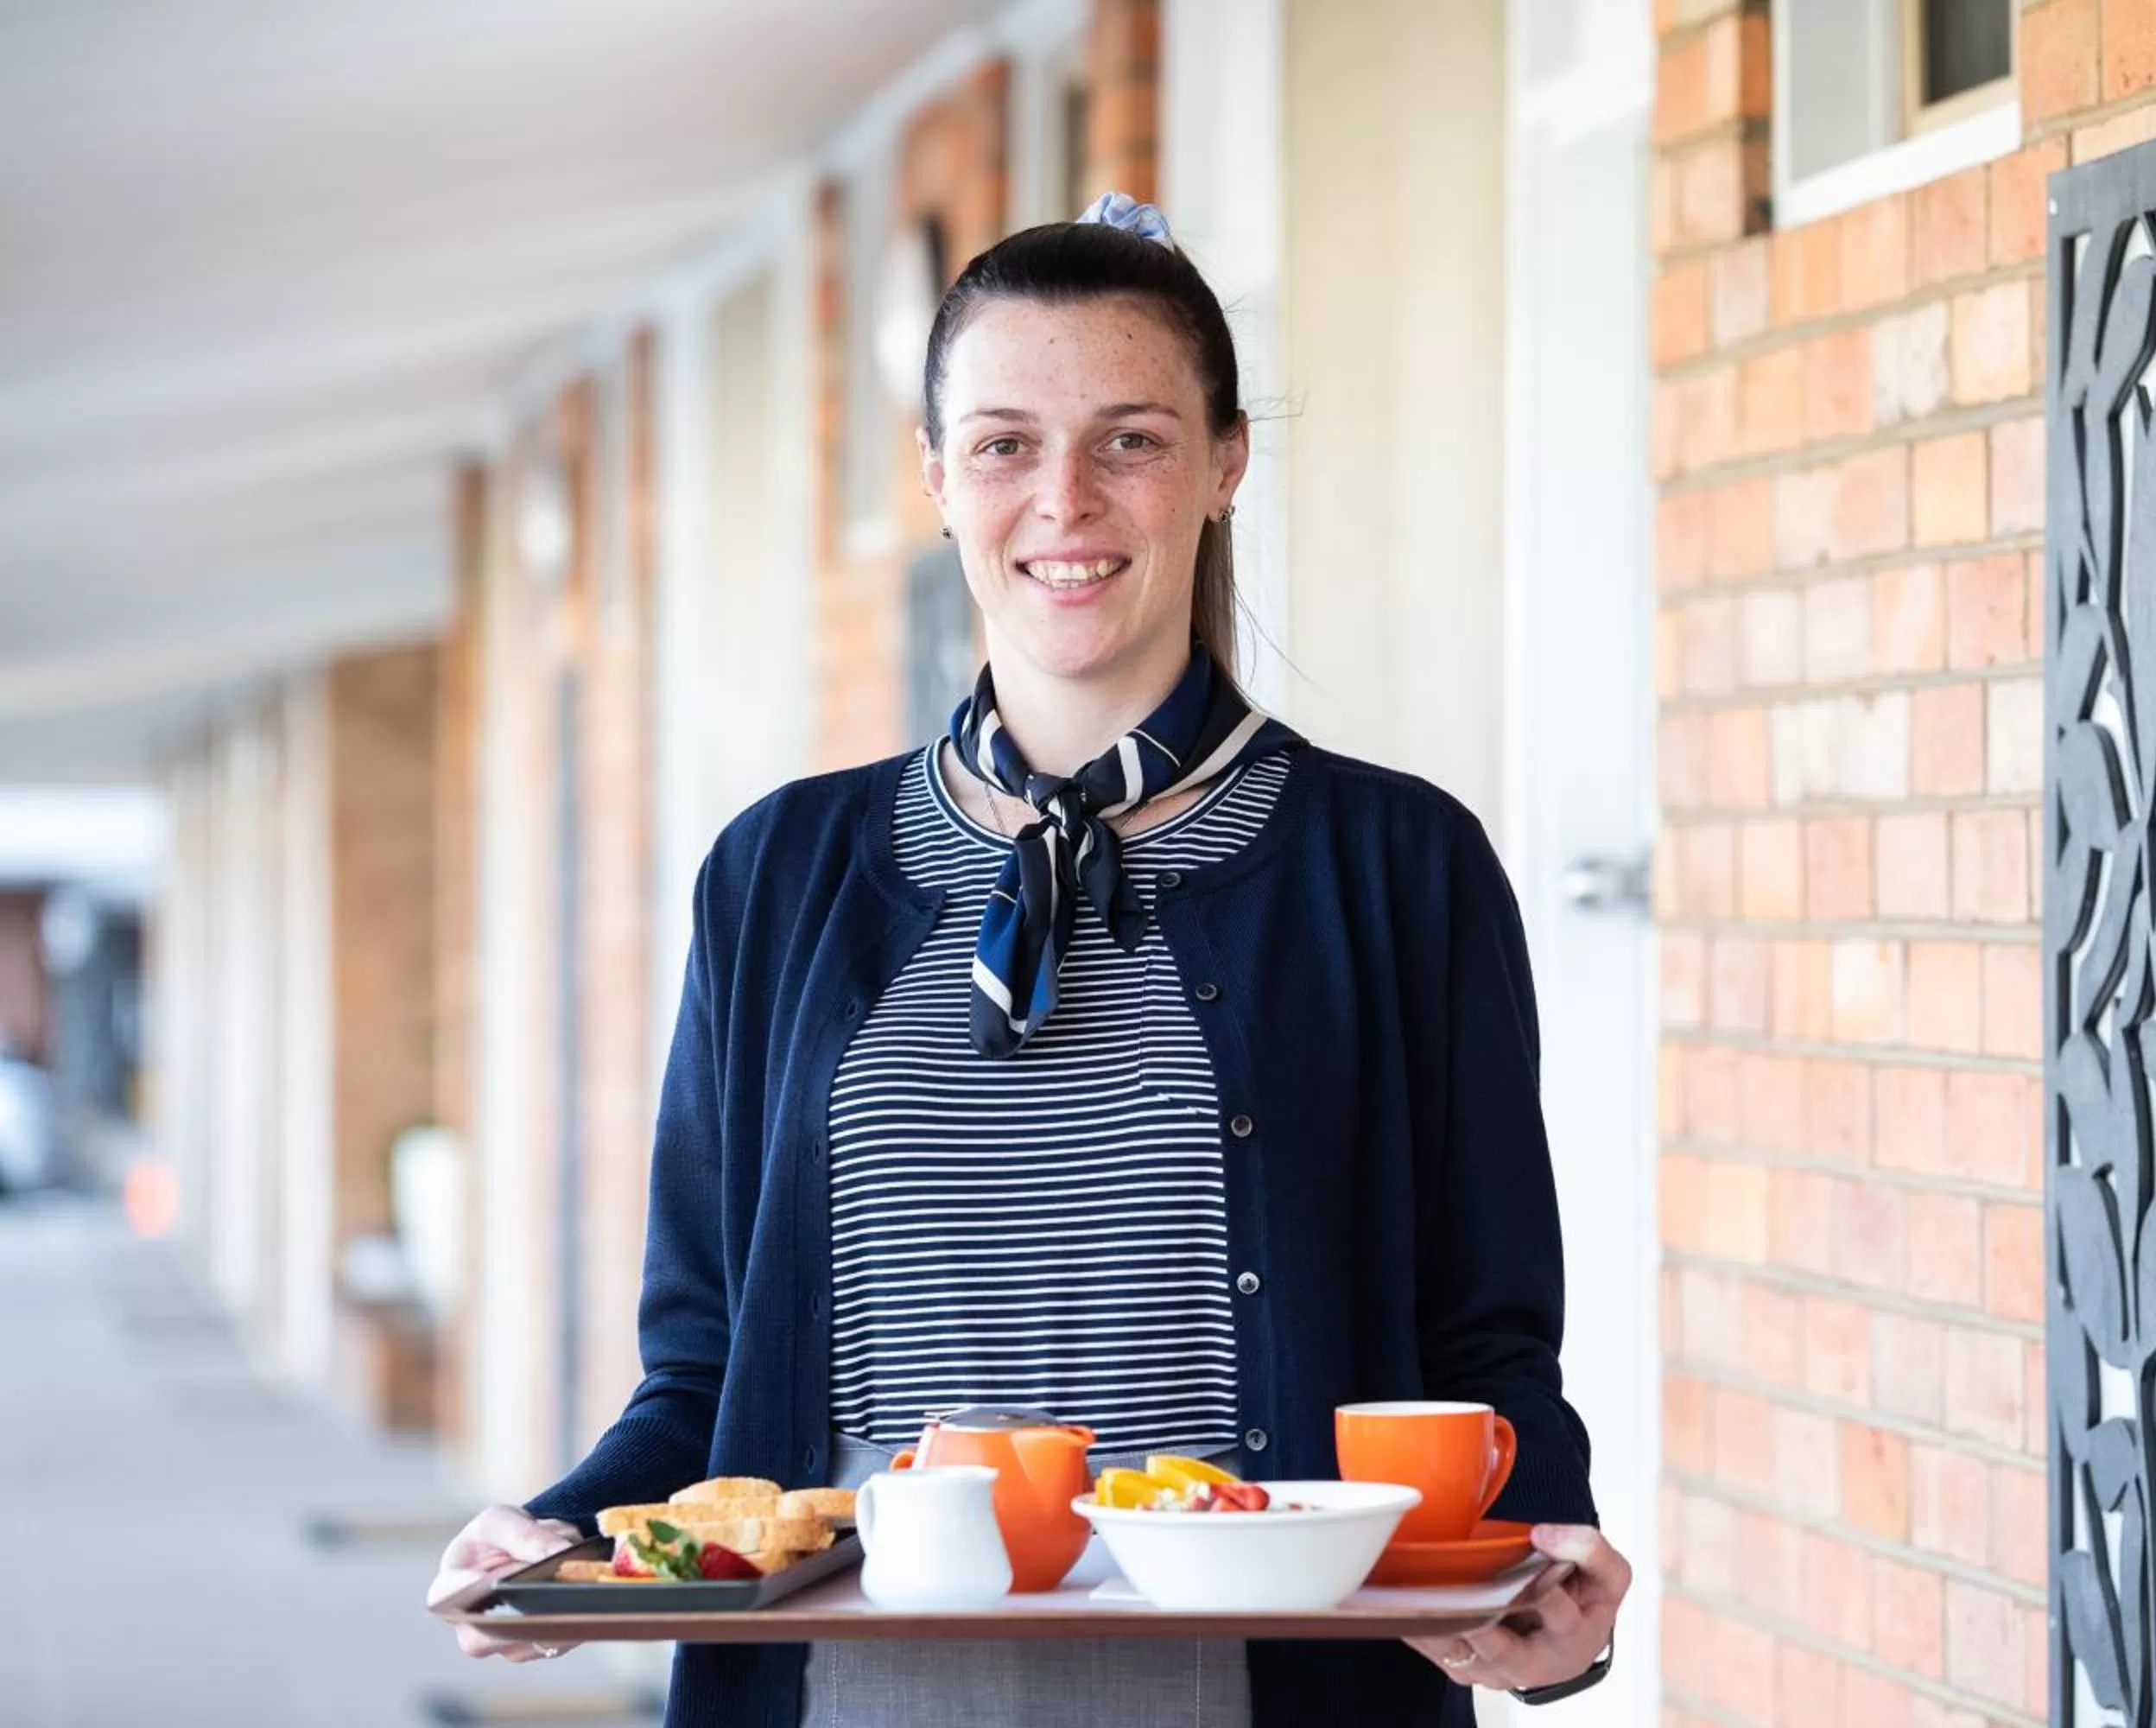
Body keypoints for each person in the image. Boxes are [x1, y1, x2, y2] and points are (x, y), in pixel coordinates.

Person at [428, 191, 1630, 1726]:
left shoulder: (1398, 866)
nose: (1064, 499)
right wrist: (560, 1537)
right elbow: (706, 1368)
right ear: (939, 478)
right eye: (1004, 444)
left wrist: (1551, 1593)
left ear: (1226, 462)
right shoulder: (779, 874)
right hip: (850, 1697)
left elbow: (1486, 1344)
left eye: (1130, 439)